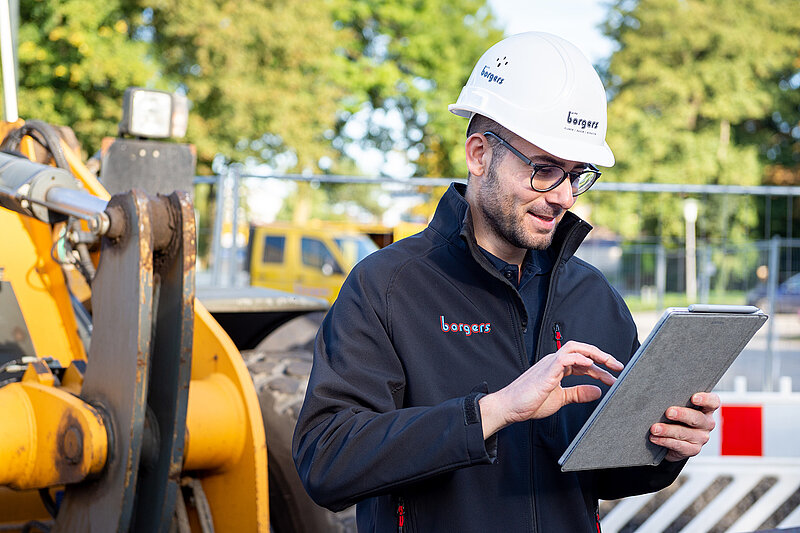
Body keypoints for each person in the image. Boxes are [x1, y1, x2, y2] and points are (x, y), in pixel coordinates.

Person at [293, 31, 719, 532]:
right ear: (478, 155)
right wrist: (493, 412)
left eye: (576, 174)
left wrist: (666, 447)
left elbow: (602, 477)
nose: (562, 196)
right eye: (543, 170)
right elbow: (326, 462)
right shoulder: (386, 287)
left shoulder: (593, 297)